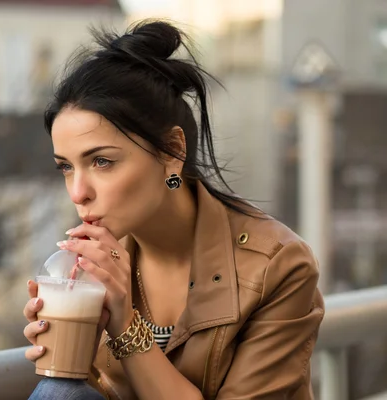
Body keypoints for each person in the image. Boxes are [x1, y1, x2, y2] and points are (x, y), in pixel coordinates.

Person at [23, 20, 325, 400]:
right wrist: (71, 350)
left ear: (171, 152)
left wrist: (126, 325)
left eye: (101, 162)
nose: (78, 192)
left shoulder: (276, 266)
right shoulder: (97, 267)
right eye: (66, 167)